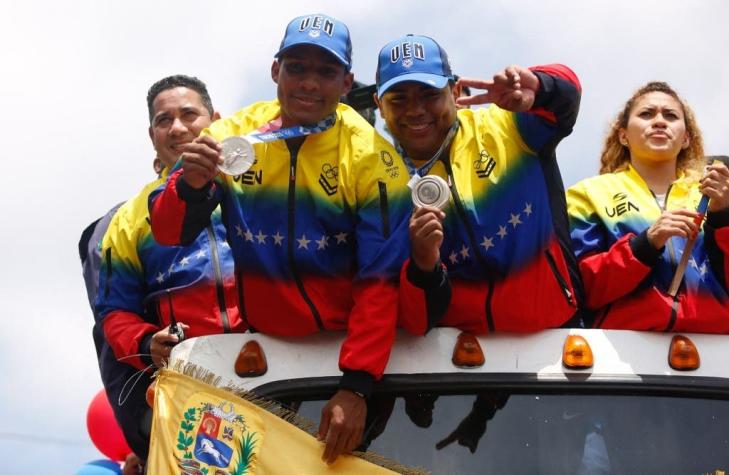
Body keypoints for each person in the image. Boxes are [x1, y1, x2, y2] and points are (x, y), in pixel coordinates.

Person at [148, 14, 409, 464]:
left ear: (346, 82)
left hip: (353, 353)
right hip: (270, 356)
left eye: (325, 72)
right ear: (275, 71)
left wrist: (358, 384)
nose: (309, 83)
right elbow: (169, 232)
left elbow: (380, 281)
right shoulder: (229, 137)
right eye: (296, 68)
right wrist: (189, 186)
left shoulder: (374, 159)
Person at [374, 34, 585, 335]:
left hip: (557, 336)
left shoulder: (509, 124)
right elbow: (416, 321)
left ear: (455, 90)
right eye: (398, 99)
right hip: (463, 360)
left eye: (429, 94)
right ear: (378, 106)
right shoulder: (384, 183)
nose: (415, 110)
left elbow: (568, 99)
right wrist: (424, 265)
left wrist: (540, 87)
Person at [94, 74, 245, 461]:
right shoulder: (126, 220)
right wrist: (147, 343)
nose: (177, 127)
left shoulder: (256, 184)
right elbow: (114, 313)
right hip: (193, 390)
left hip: (286, 371)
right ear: (152, 135)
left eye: (189, 114)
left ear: (215, 119)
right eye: (164, 120)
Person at [567, 81, 729, 331]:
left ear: (686, 138)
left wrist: (723, 218)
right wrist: (645, 244)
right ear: (623, 135)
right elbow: (582, 289)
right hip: (625, 348)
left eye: (671, 116)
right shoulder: (588, 194)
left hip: (715, 349)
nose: (660, 121)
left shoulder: (717, 194)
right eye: (646, 114)